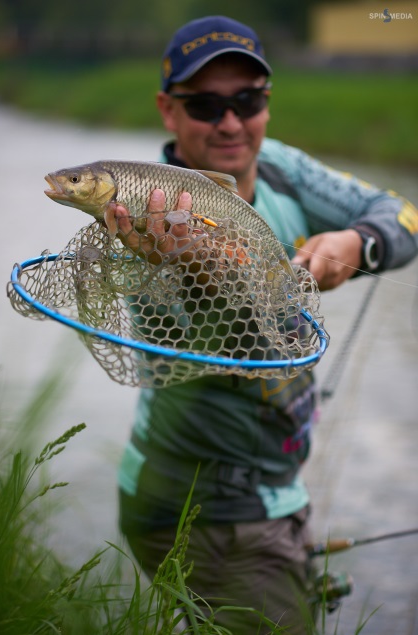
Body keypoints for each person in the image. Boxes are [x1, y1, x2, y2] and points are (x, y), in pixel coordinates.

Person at [114, 15, 418, 634]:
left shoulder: (278, 166)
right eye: (204, 105)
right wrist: (204, 267)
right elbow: (238, 334)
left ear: (267, 104)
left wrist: (356, 245)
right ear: (167, 111)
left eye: (247, 101)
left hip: (271, 489)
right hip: (203, 505)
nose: (230, 123)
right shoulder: (144, 221)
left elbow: (403, 214)